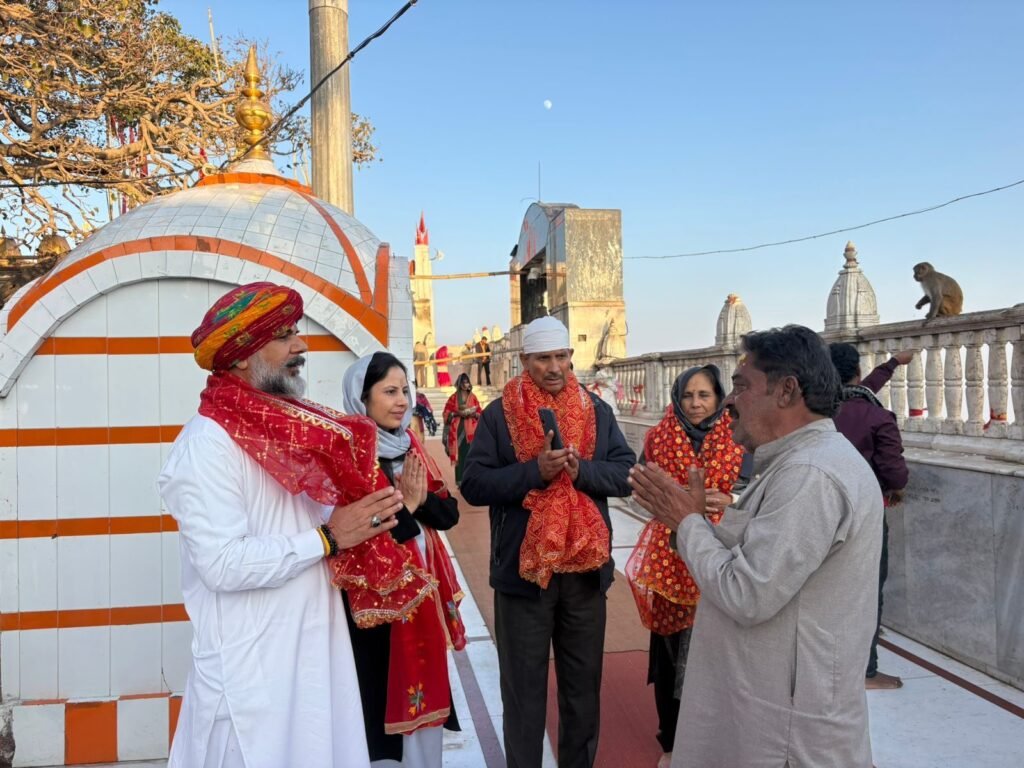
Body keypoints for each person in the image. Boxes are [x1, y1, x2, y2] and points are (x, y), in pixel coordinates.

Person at [158, 282, 405, 768]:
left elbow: (315, 525)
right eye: (284, 335)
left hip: (312, 660)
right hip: (253, 678)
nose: (301, 345)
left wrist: (363, 520)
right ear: (241, 355)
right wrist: (329, 537)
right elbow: (221, 564)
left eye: (297, 332)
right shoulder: (207, 444)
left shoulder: (290, 431)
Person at [630, 325, 882, 768]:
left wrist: (688, 523)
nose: (729, 401)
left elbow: (747, 593)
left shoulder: (810, 475)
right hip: (774, 711)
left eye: (742, 386)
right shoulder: (802, 464)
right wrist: (692, 521)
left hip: (786, 731)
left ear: (787, 391)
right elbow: (760, 556)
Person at [460, 315, 636, 768]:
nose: (554, 367)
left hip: (585, 573)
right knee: (522, 693)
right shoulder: (499, 415)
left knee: (582, 688)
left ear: (571, 357)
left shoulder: (597, 411)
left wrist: (582, 471)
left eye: (561, 356)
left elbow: (625, 473)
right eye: (543, 358)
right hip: (523, 575)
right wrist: (533, 472)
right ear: (525, 361)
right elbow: (473, 483)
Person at [341, 352, 467, 768]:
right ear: (362, 399)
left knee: (423, 699)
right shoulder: (350, 458)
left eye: (405, 391)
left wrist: (417, 501)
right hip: (376, 609)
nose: (401, 401)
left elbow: (448, 514)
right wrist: (409, 508)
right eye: (389, 391)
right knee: (380, 697)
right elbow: (357, 543)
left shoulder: (410, 446)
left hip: (421, 598)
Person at [624, 365, 747, 768]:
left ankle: (716, 739)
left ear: (719, 399)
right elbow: (637, 488)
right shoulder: (658, 437)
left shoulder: (739, 436)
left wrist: (729, 502)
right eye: (688, 395)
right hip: (669, 558)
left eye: (704, 395)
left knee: (717, 650)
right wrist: (671, 501)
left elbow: (759, 493)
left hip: (723, 552)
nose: (695, 403)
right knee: (670, 651)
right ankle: (673, 740)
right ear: (677, 398)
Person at [831, 343, 912, 691]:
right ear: (856, 371)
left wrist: (892, 364)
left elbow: (862, 390)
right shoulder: (877, 417)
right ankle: (866, 671)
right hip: (864, 517)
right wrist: (893, 488)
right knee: (866, 591)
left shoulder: (817, 413)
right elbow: (895, 474)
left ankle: (829, 667)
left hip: (821, 511)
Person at [442, 373, 481, 486]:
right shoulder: (453, 398)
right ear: (459, 384)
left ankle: (470, 478)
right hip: (457, 430)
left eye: (467, 382)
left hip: (471, 431)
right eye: (464, 382)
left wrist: (474, 414)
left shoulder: (473, 397)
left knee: (471, 454)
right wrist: (456, 413)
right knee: (459, 455)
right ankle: (460, 480)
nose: (466, 384)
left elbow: (479, 411)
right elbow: (446, 413)